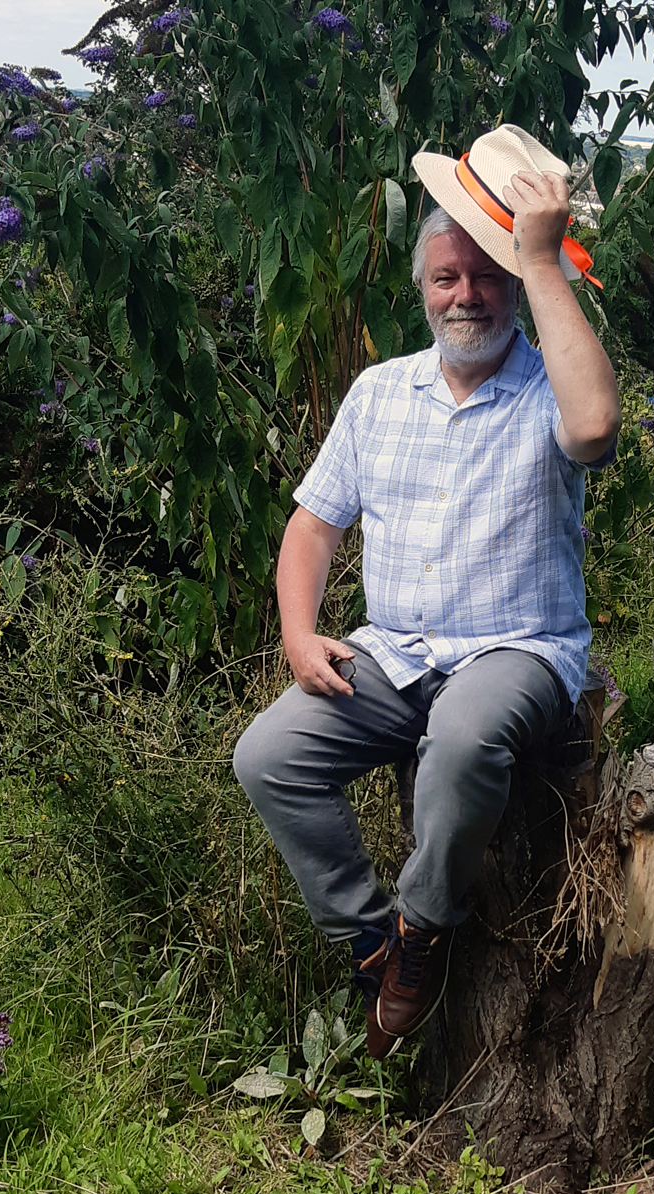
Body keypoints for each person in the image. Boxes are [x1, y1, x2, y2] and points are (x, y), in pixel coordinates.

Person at [233, 124, 620, 1060]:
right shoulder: (380, 393)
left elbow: (599, 426)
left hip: (516, 648)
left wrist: (539, 261)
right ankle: (376, 941)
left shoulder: (547, 385)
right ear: (422, 287)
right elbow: (312, 527)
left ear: (516, 282)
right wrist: (297, 631)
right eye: (447, 276)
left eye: (486, 274)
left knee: (464, 736)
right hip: (394, 649)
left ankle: (427, 921)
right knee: (269, 753)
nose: (466, 295)